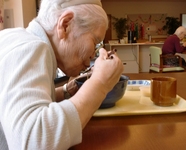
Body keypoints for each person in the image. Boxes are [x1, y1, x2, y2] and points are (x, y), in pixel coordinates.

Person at [0, 0, 123, 149]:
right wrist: (100, 84)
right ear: (65, 25)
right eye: (95, 42)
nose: (94, 54)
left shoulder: (15, 37)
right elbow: (32, 142)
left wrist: (64, 92)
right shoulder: (32, 48)